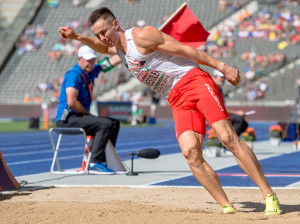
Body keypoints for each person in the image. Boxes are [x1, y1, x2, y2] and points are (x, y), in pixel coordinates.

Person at [58, 7, 281, 214]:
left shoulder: (142, 36)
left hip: (193, 82)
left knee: (227, 137)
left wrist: (222, 67)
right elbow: (99, 47)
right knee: (190, 152)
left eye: (104, 31)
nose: (102, 38)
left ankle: (268, 194)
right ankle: (227, 206)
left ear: (115, 24)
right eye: (98, 34)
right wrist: (77, 37)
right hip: (175, 98)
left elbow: (186, 50)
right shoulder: (115, 47)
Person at [55, 45, 121, 174]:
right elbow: (72, 102)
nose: (91, 63)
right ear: (79, 59)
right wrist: (89, 115)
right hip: (67, 119)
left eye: (93, 60)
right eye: (87, 60)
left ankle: (105, 159)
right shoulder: (74, 75)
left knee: (114, 123)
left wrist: (129, 52)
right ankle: (94, 162)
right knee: (105, 124)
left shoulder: (91, 72)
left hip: (79, 117)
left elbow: (111, 62)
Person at [213, 69, 248, 136]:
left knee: (244, 124)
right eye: (221, 77)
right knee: (239, 119)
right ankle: (230, 141)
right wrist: (237, 112)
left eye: (224, 77)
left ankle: (230, 141)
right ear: (214, 77)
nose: (223, 79)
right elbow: (218, 108)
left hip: (221, 114)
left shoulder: (219, 89)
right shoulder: (213, 88)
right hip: (215, 116)